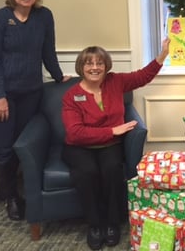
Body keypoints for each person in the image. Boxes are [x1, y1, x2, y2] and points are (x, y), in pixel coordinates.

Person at [61, 39, 169, 250]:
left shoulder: (115, 82)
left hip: (109, 145)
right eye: (89, 63)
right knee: (86, 173)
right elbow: (75, 133)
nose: (94, 68)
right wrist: (112, 131)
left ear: (106, 66)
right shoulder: (71, 96)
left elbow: (142, 76)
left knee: (112, 170)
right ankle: (94, 225)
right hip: (79, 147)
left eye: (99, 63)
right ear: (81, 68)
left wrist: (162, 55)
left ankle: (112, 224)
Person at [0, 0, 69, 221]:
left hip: (30, 91)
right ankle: (10, 197)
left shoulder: (44, 16)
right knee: (4, 145)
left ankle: (11, 189)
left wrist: (59, 75)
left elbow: (47, 51)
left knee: (22, 142)